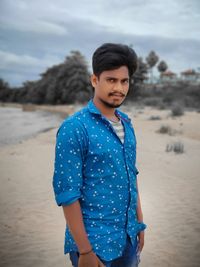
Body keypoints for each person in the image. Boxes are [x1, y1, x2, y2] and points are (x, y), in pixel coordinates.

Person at [52, 43, 147, 267]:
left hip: (128, 238)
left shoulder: (127, 124)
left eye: (124, 81)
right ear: (95, 80)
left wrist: (139, 224)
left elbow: (131, 177)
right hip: (94, 244)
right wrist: (85, 251)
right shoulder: (75, 128)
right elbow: (68, 193)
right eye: (111, 80)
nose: (119, 88)